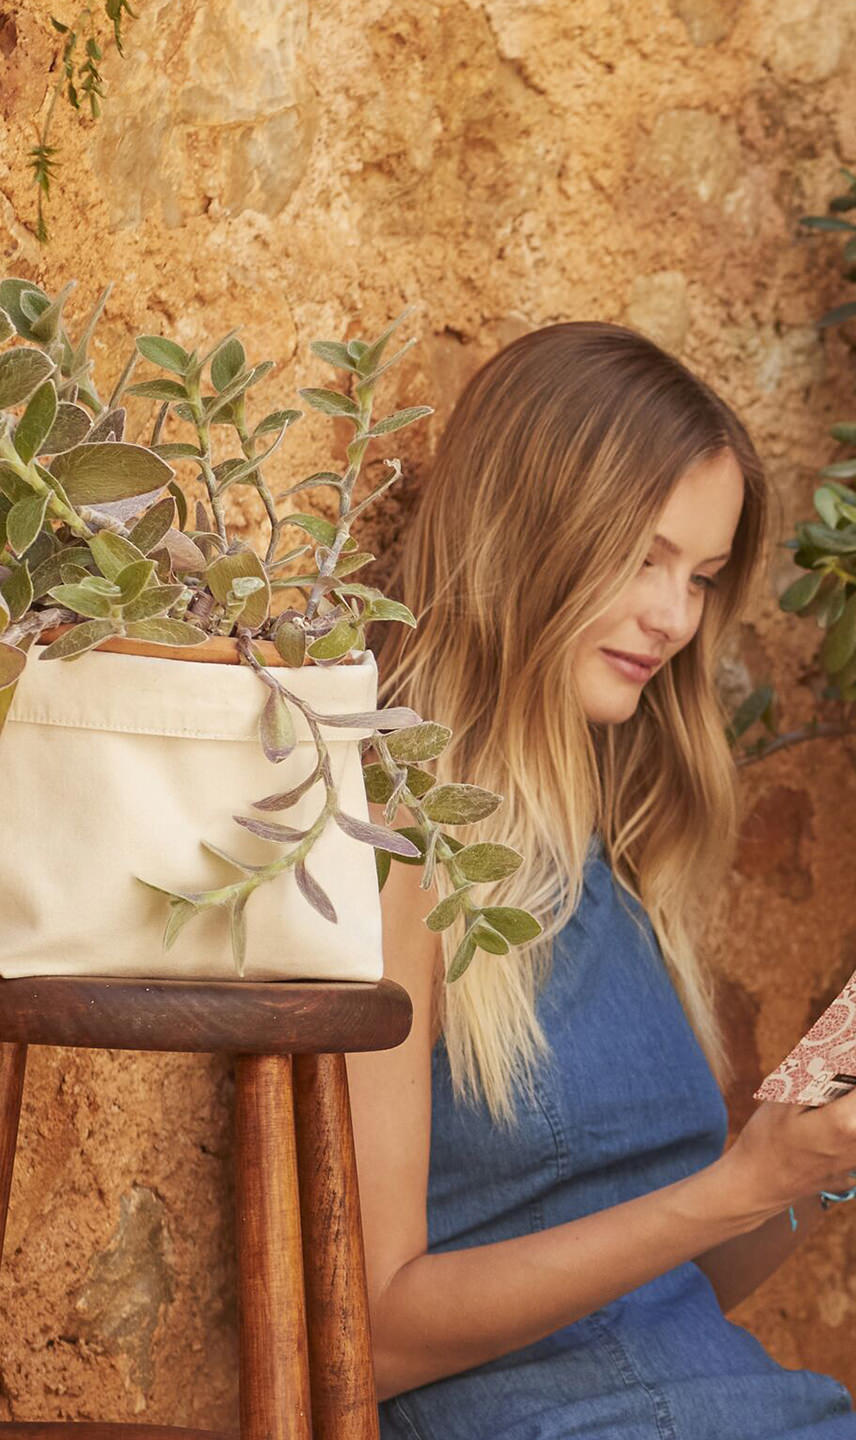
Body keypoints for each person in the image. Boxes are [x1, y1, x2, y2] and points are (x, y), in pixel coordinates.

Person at [351, 320, 856, 1439]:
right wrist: (731, 1184)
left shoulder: (616, 851)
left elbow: (666, 1289)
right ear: (530, 533)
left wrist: (811, 1151)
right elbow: (371, 1340)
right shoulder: (397, 846)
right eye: (643, 557)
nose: (677, 620)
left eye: (703, 577)